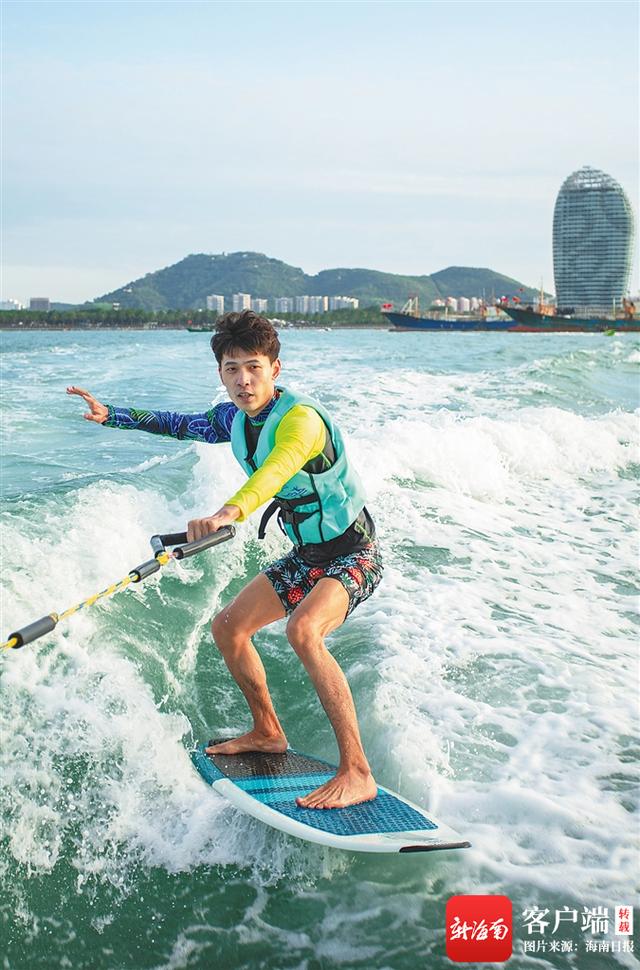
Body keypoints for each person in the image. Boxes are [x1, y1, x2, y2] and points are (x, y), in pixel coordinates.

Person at [67, 310, 383, 809]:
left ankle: (358, 771)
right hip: (307, 555)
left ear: (275, 370)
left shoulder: (300, 421)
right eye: (232, 369)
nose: (243, 380)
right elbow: (180, 424)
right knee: (228, 628)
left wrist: (227, 512)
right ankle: (267, 731)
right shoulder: (233, 417)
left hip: (353, 553)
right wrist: (113, 414)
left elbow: (276, 472)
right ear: (220, 373)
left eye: (254, 367)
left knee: (304, 631)